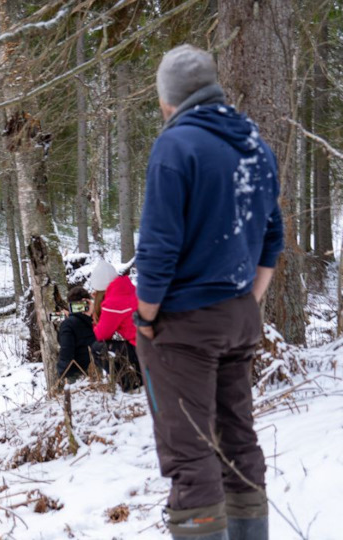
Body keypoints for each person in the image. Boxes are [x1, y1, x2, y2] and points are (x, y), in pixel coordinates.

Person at [135, 45, 283, 540]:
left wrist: (145, 317)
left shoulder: (176, 147)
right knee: (238, 440)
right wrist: (249, 301)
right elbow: (272, 237)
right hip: (239, 316)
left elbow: (158, 249)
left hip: (185, 326)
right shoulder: (255, 144)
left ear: (168, 100)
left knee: (190, 454)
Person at [88, 260, 141, 391]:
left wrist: (94, 312)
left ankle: (130, 382)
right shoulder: (129, 289)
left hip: (144, 349)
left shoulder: (113, 303)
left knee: (97, 347)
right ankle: (140, 374)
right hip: (154, 345)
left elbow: (100, 335)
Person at [56, 286, 97, 383]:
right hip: (95, 370)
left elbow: (66, 352)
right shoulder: (95, 321)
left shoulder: (68, 324)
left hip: (76, 374)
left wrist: (61, 373)